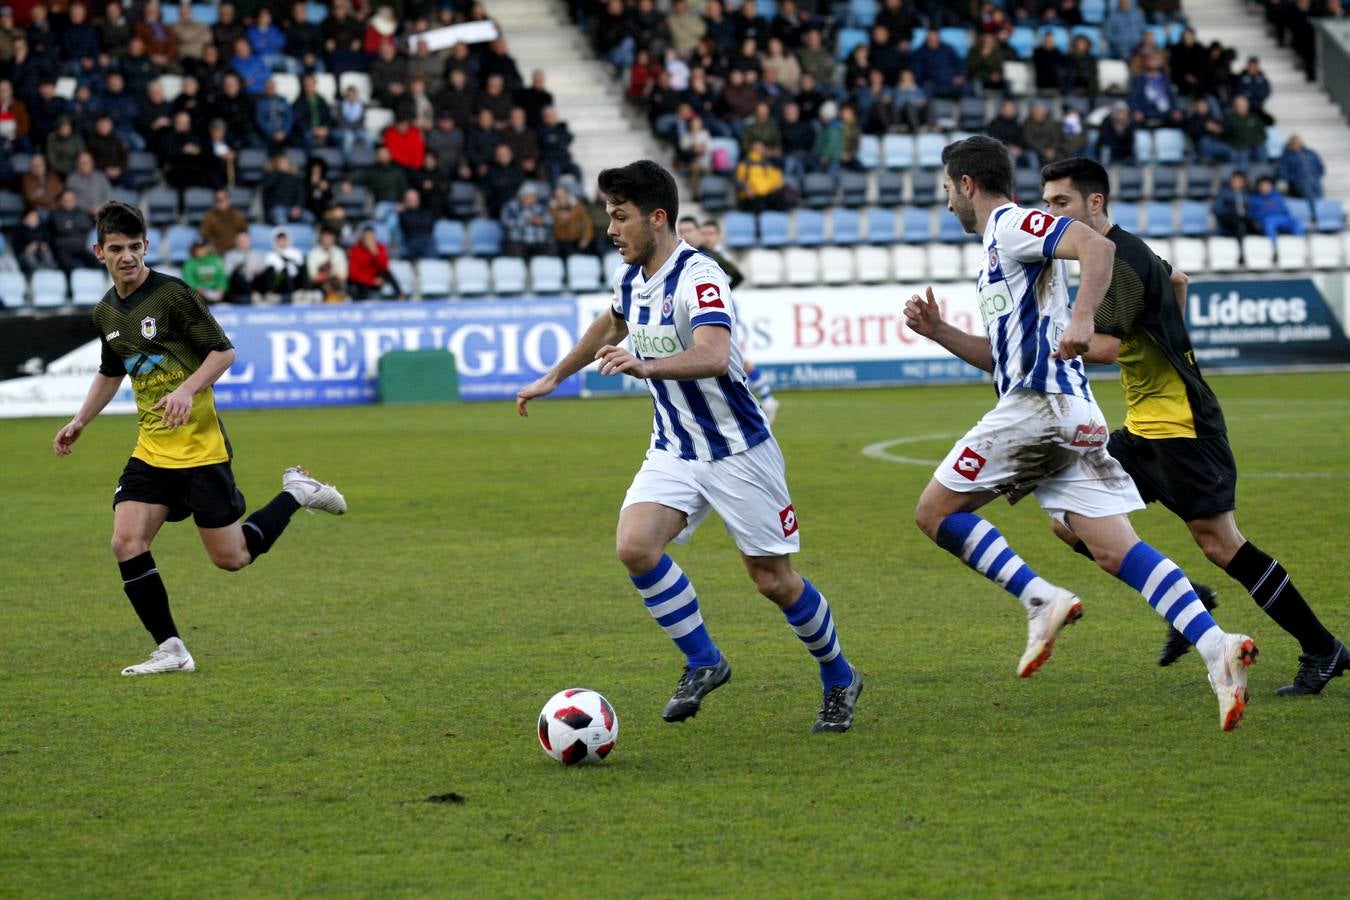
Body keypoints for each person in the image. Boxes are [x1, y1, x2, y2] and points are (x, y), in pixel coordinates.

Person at [902, 136, 1258, 731]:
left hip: (1040, 408)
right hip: (1072, 415)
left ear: (967, 184)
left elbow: (1094, 247)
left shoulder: (1011, 222)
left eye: (946, 190)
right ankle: (1217, 646)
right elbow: (1001, 356)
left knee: (935, 514)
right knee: (1116, 550)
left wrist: (1084, 317)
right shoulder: (1001, 248)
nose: (946, 205)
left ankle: (1039, 598)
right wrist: (940, 331)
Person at [515, 161, 861, 733]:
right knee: (635, 546)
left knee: (773, 580)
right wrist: (555, 376)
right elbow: (609, 327)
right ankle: (704, 660)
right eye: (608, 215)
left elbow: (715, 354)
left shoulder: (699, 276)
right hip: (675, 447)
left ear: (657, 217)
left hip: (737, 450)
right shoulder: (632, 276)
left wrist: (644, 366)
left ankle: (839, 676)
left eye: (620, 217)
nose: (610, 229)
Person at [1038, 156, 1347, 693]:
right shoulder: (1122, 252)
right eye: (1045, 203)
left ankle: (1323, 649)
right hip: (1143, 428)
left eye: (1060, 202)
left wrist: (1042, 349)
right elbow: (1178, 279)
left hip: (1184, 426)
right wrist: (1168, 339)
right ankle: (1186, 598)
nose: (1050, 213)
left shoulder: (1119, 265)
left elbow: (1105, 345)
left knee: (1221, 543)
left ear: (1096, 203)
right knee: (1068, 517)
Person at [51, 201, 346, 677]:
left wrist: (187, 389)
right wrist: (80, 419)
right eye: (115, 249)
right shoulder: (105, 312)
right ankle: (171, 649)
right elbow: (112, 370)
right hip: (151, 449)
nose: (126, 256)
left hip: (200, 448)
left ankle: (296, 492)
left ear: (146, 247)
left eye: (134, 247)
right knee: (126, 541)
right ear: (99, 252)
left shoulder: (172, 295)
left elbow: (223, 353)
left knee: (232, 559)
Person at [680, 215, 779, 424]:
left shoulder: (710, 255)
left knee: (731, 358)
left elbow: (738, 275)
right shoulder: (685, 255)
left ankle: (764, 399)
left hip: (719, 312)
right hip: (698, 312)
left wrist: (722, 293)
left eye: (690, 230)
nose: (686, 235)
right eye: (682, 231)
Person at [182, 236, 227, 303]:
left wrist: (221, 289)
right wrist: (198, 288)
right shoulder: (190, 263)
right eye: (197, 248)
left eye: (202, 248)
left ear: (208, 248)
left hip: (216, 292)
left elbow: (222, 277)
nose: (200, 250)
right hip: (198, 295)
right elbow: (188, 280)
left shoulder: (216, 260)